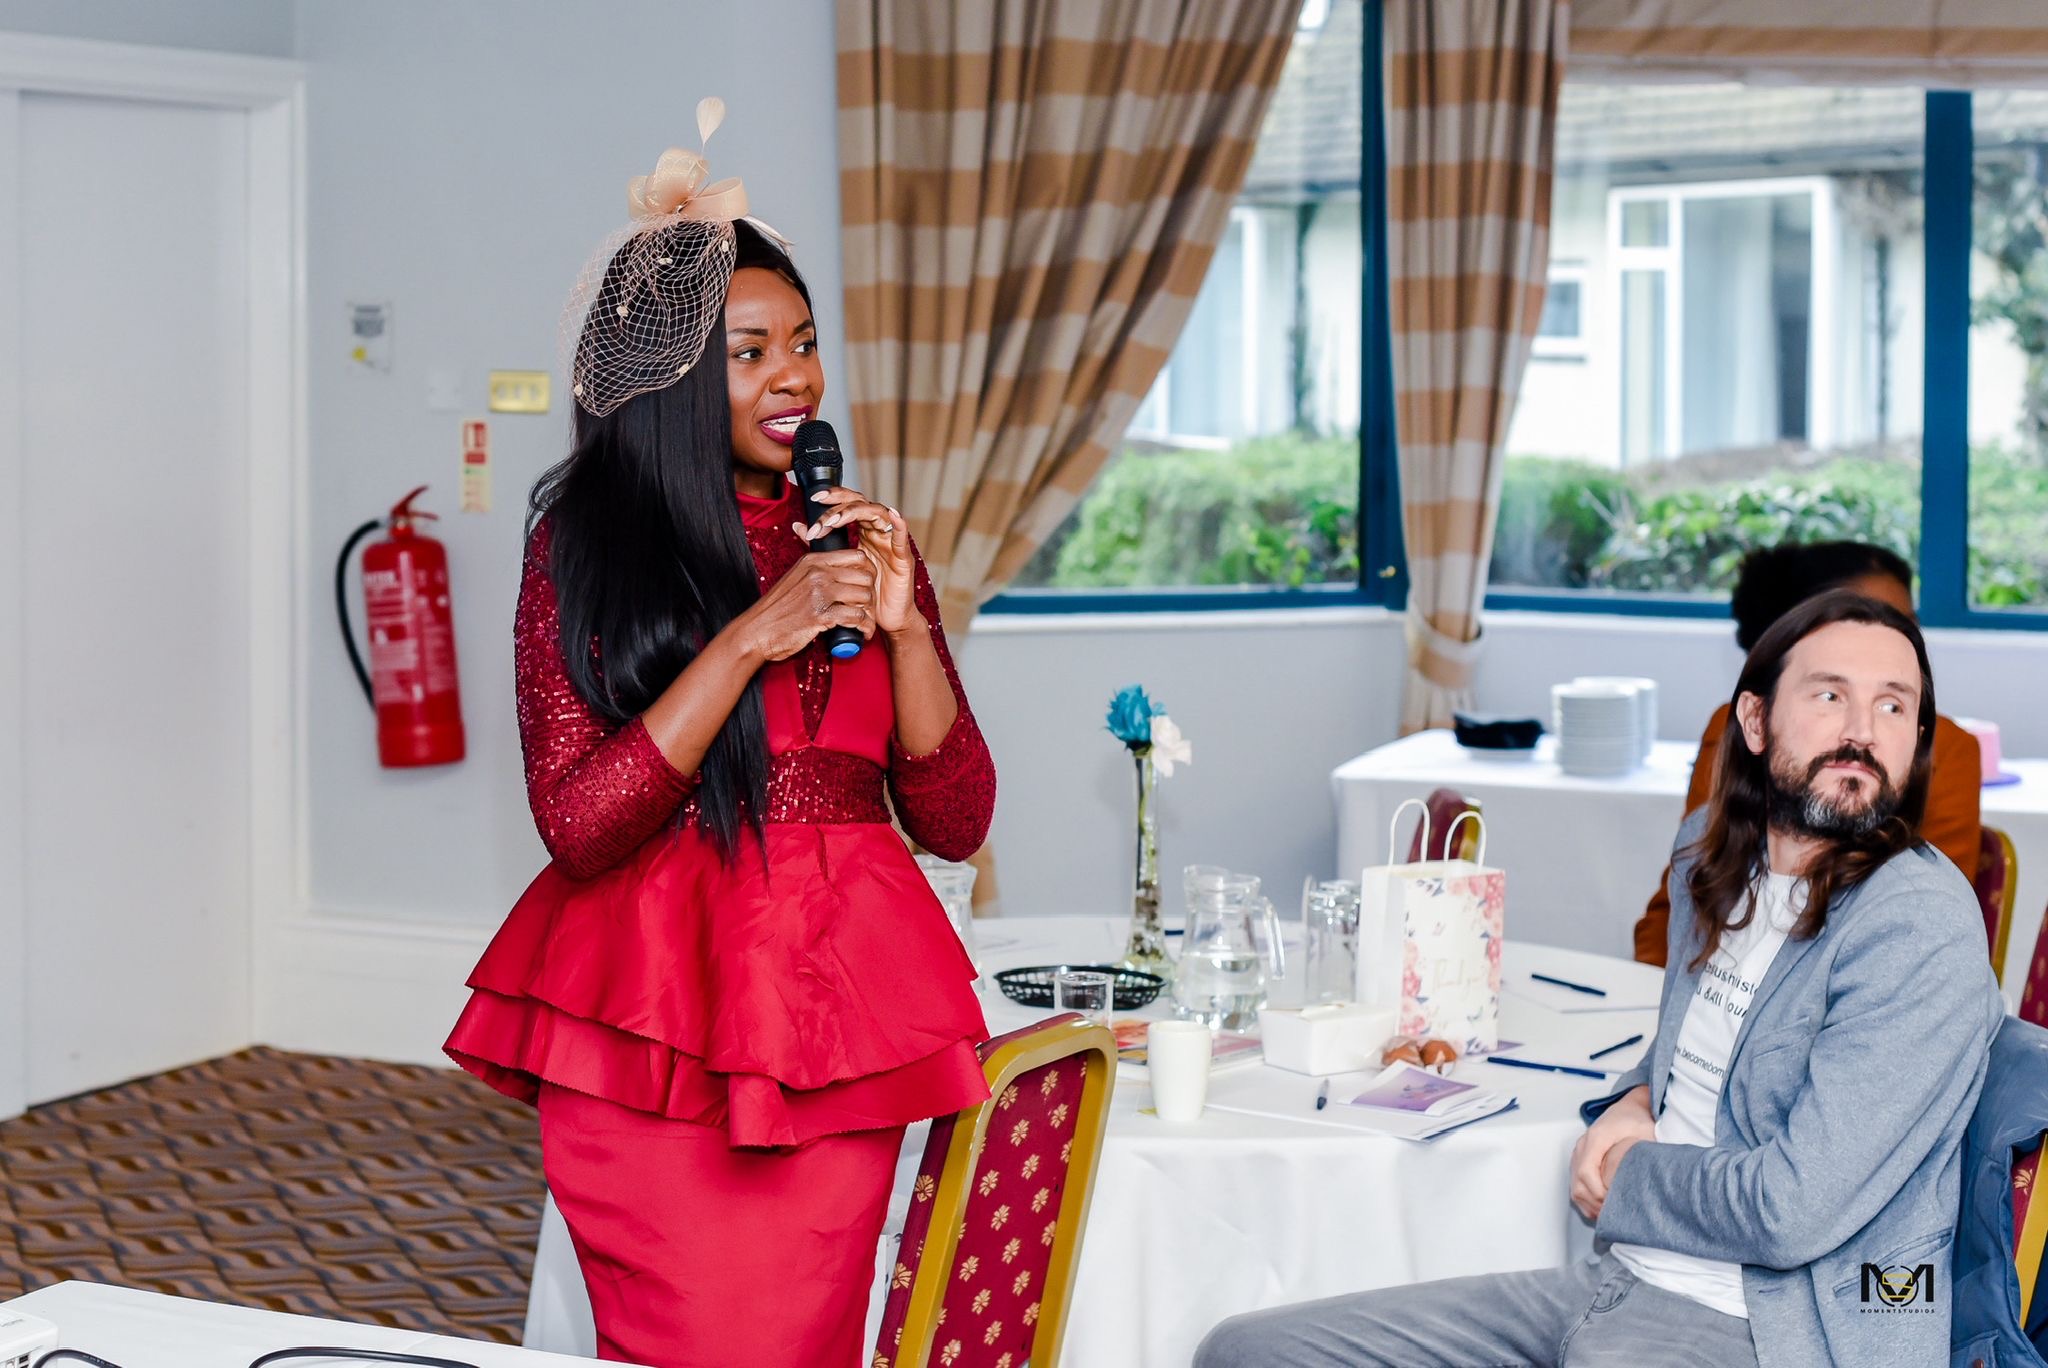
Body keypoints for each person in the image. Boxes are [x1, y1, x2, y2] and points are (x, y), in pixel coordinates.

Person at [442, 115, 995, 1367]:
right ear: (673, 379)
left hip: (838, 1013)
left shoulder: (857, 540)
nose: (793, 378)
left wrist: (907, 627)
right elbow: (578, 825)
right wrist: (753, 635)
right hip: (657, 1018)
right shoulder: (585, 546)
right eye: (749, 353)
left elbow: (956, 820)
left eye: (803, 343)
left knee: (810, 1338)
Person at [1196, 591, 2004, 1367]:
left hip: (1770, 1325)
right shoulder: (1715, 854)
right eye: (1830, 696)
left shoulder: (1914, 925)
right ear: (1755, 721)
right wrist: (1633, 1099)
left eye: (1894, 706)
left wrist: (1623, 1172)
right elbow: (1703, 1049)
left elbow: (1792, 1210)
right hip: (1616, 1279)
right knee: (1246, 1351)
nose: (1862, 731)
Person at [1634, 540, 1981, 965]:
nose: (1861, 732)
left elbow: (1929, 922)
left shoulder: (1946, 751)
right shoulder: (1738, 729)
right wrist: (1660, 991)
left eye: (1902, 623)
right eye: (1857, 620)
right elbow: (1686, 894)